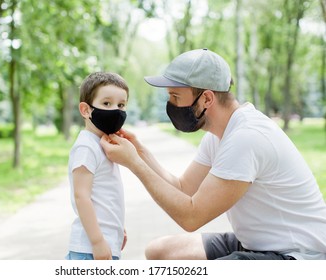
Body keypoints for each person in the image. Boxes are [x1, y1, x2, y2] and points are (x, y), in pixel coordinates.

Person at [100, 49, 326, 260]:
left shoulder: (246, 137)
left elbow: (191, 217)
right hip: (255, 243)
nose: (170, 105)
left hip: (296, 254)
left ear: (207, 99)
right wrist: (140, 153)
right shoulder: (219, 134)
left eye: (175, 97)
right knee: (159, 251)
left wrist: (134, 165)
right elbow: (183, 189)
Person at [66, 72, 129, 260]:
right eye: (107, 104)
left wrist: (117, 227)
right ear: (86, 110)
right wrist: (97, 241)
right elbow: (81, 196)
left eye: (121, 105)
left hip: (106, 241)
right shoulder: (86, 146)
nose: (115, 110)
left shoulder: (102, 144)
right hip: (89, 248)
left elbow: (104, 194)